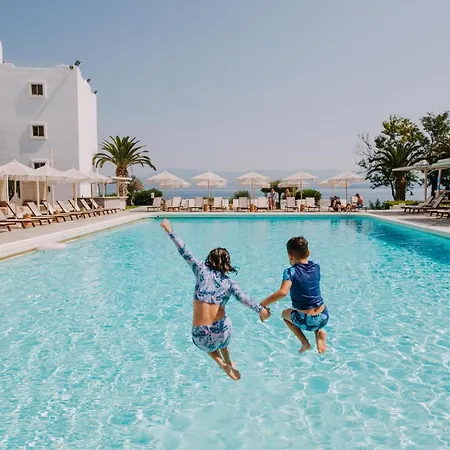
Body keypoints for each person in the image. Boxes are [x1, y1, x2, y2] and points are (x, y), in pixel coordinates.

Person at [160, 219, 271, 380]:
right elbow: (244, 298)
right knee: (223, 328)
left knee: (207, 343)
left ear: (209, 259)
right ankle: (228, 361)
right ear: (227, 264)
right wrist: (262, 311)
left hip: (202, 337)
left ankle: (222, 363)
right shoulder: (229, 283)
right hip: (222, 334)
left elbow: (184, 250)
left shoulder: (200, 270)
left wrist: (169, 229)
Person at [260, 236, 328, 354]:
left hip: (305, 321)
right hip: (324, 316)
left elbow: (283, 292)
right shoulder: (316, 266)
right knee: (312, 303)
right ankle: (318, 332)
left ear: (290, 256)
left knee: (284, 314)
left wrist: (262, 304)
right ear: (308, 252)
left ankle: (305, 343)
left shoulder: (290, 272)